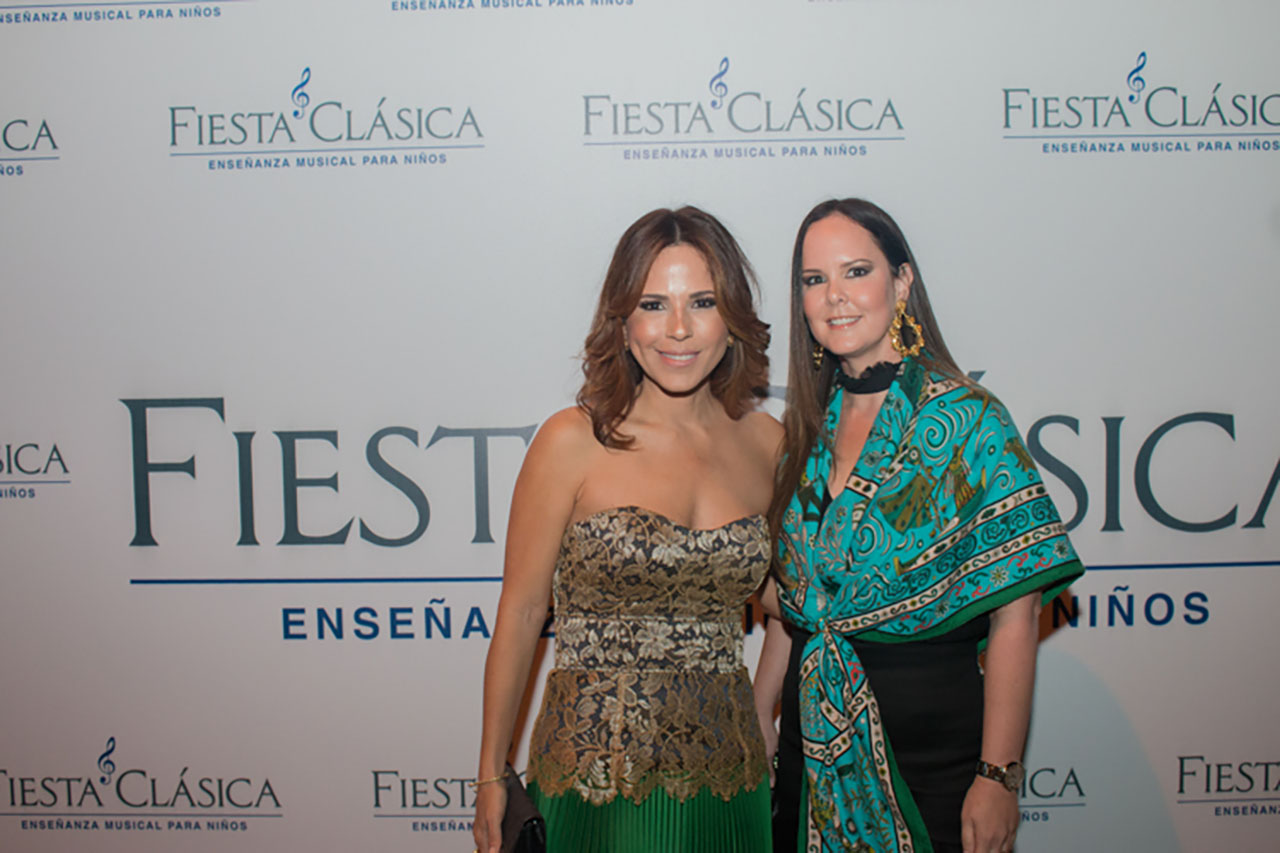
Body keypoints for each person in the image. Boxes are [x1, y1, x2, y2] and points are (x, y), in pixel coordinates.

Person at [756, 198, 1084, 853]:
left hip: (936, 761)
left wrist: (998, 775)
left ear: (901, 282)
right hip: (808, 753)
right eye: (815, 279)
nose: (834, 295)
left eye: (856, 271)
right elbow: (798, 609)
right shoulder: (803, 434)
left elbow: (1017, 615)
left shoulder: (968, 421)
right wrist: (761, 710)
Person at [474, 206, 781, 853]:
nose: (678, 328)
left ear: (732, 317)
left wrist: (763, 708)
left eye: (702, 302)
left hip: (733, 778)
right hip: (597, 780)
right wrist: (491, 772)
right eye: (652, 303)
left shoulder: (766, 443)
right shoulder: (571, 440)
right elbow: (523, 612)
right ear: (622, 321)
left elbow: (792, 603)